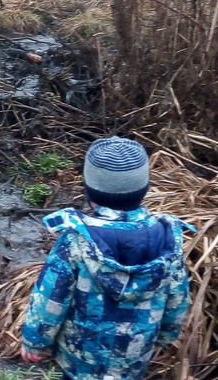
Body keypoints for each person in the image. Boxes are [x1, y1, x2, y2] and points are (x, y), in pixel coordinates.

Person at [18, 136, 194, 380]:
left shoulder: (77, 239)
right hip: (135, 355)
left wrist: (34, 342)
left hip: (80, 359)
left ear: (90, 189)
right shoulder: (167, 238)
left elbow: (50, 299)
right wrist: (166, 335)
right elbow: (178, 296)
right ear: (144, 188)